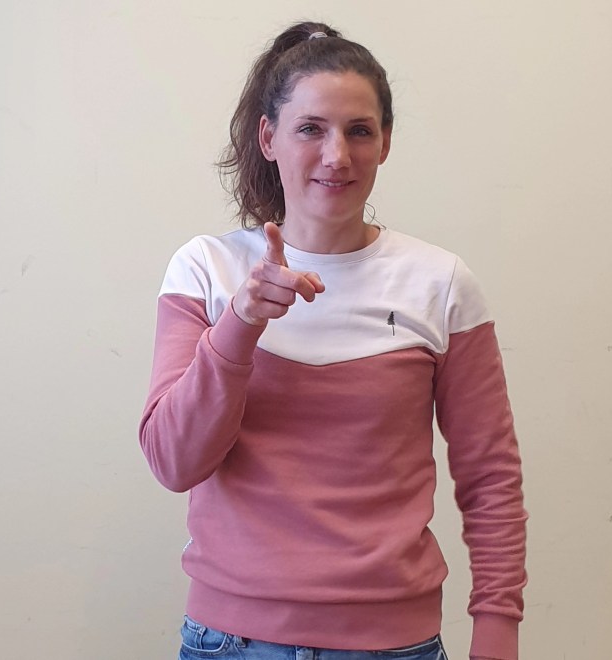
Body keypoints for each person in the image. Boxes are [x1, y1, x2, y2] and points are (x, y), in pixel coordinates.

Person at [139, 20, 527, 660]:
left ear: (386, 142)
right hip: (228, 642)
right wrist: (240, 323)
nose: (337, 155)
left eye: (359, 131)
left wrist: (497, 627)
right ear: (268, 137)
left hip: (394, 644)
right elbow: (172, 462)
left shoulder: (440, 283)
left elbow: (490, 474)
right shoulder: (206, 270)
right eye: (311, 129)